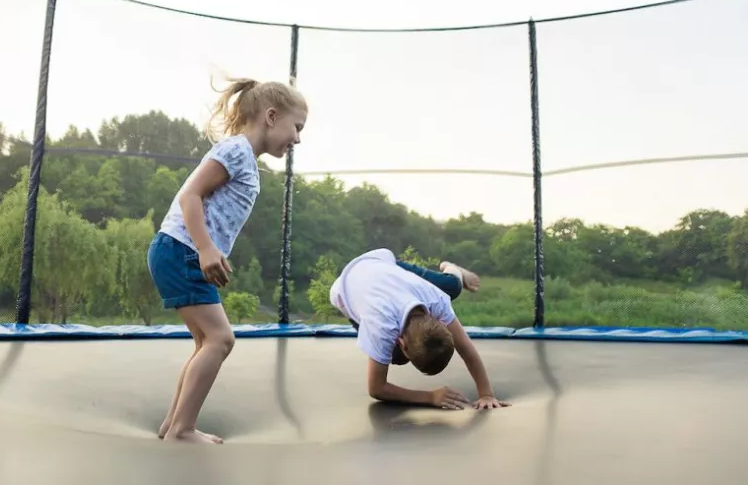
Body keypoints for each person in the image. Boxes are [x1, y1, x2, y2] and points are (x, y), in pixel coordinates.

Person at [148, 77, 308, 444]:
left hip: (181, 249)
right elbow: (190, 195)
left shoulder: (245, 159)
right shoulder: (236, 150)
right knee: (220, 340)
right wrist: (205, 248)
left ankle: (172, 424)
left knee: (207, 341)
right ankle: (182, 429)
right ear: (271, 116)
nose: (298, 138)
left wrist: (206, 249)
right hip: (182, 248)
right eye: (296, 127)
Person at [329, 248, 510, 411]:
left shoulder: (436, 300)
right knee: (395, 358)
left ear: (440, 321)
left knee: (451, 288)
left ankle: (455, 272)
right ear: (400, 342)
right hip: (349, 286)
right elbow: (376, 388)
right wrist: (429, 397)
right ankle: (452, 271)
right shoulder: (381, 327)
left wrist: (486, 394)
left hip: (388, 272)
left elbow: (466, 347)